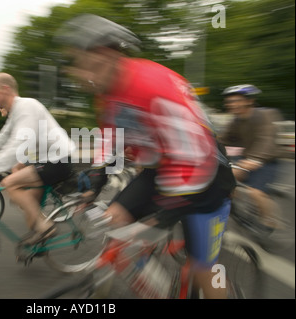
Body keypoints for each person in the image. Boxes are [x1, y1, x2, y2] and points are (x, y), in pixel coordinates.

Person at [55, 14, 236, 298]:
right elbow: (110, 143)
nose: (74, 74)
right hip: (161, 169)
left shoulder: (153, 86)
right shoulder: (105, 94)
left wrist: (161, 217)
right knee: (114, 224)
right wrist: (92, 186)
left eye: (78, 62)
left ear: (104, 55)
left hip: (205, 174)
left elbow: (196, 158)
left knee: (203, 268)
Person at [0, 72, 76, 244]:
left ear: (5, 89)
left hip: (58, 160)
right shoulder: (16, 111)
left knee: (10, 183)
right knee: (28, 203)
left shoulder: (26, 107)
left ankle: (47, 228)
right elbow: (3, 137)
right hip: (46, 158)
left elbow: (17, 144)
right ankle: (39, 241)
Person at [218, 84, 283, 232]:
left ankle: (270, 222)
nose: (232, 104)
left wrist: (255, 159)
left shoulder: (266, 115)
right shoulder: (236, 121)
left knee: (256, 192)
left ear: (249, 101)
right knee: (226, 178)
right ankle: (237, 210)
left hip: (267, 160)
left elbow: (266, 138)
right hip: (247, 159)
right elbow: (222, 140)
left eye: (236, 100)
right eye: (230, 101)